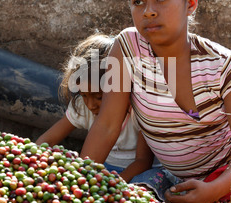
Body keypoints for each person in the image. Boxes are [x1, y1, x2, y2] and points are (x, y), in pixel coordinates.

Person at [80, 0, 231, 203]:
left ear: (191, 3)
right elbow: (106, 125)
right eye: (138, 2)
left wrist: (214, 189)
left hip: (229, 178)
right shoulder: (128, 48)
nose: (149, 11)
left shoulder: (225, 66)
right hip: (170, 178)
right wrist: (77, 182)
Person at [35, 32, 155, 182]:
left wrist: (114, 184)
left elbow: (143, 162)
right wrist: (32, 160)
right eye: (84, 95)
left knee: (150, 181)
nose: (90, 105)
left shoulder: (140, 112)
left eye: (99, 97)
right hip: (101, 168)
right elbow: (48, 140)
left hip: (132, 175)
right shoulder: (82, 107)